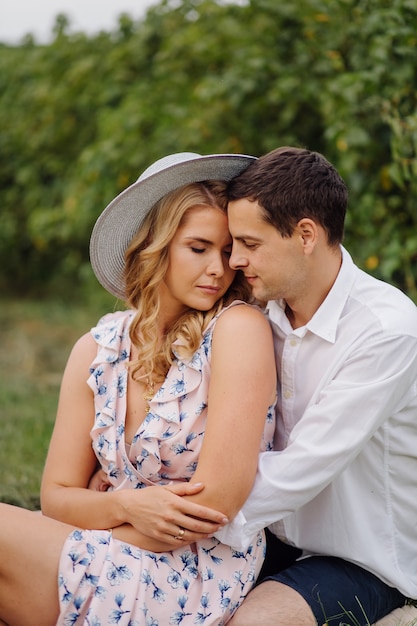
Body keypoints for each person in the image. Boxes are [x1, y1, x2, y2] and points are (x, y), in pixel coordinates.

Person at [0, 152, 277, 626]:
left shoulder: (238, 330)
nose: (219, 268)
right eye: (198, 248)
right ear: (156, 245)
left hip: (191, 575)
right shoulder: (97, 348)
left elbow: (214, 506)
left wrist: (93, 514)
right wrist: (126, 504)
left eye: (227, 250)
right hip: (103, 547)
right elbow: (56, 495)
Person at [220, 146, 417, 625]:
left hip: (364, 559)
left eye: (250, 243)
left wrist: (184, 510)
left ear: (305, 234)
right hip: (267, 535)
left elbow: (301, 469)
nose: (235, 260)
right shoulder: (254, 312)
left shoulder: (386, 331)